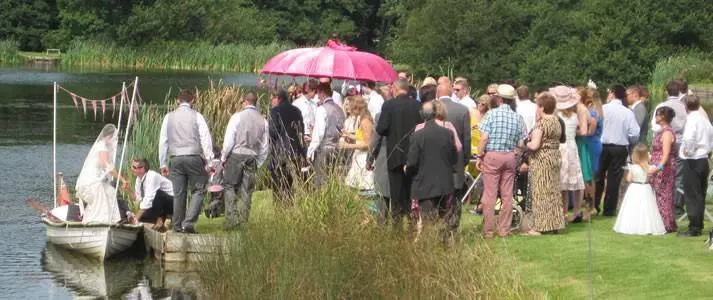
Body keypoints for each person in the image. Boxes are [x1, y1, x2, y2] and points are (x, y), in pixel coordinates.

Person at [159, 89, 213, 233]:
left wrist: (163, 163)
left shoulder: (168, 117)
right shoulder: (197, 116)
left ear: (177, 100)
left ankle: (177, 226)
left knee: (179, 194)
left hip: (175, 159)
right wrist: (209, 160)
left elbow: (163, 141)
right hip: (193, 157)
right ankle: (188, 223)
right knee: (199, 189)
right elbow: (205, 138)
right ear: (193, 100)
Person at [478, 84, 526, 238]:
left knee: (490, 194)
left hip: (492, 155)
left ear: (499, 98)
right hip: (509, 156)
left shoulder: (491, 115)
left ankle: (489, 230)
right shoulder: (517, 117)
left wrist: (480, 155)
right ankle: (504, 229)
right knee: (507, 195)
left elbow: (484, 137)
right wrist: (515, 154)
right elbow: (521, 144)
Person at [406, 101, 458, 237]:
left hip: (425, 185)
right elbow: (454, 158)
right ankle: (444, 245)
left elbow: (412, 162)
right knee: (444, 221)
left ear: (423, 115)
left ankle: (428, 250)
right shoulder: (448, 133)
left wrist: (408, 170)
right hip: (445, 184)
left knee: (428, 222)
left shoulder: (418, 135)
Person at [376, 79, 422, 225]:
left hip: (394, 154)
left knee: (395, 192)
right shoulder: (417, 105)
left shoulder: (389, 105)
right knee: (410, 191)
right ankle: (411, 222)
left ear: (395, 89)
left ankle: (396, 224)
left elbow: (381, 129)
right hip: (413, 155)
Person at [221, 91, 269, 229]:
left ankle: (231, 218)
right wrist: (258, 162)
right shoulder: (263, 121)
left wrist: (224, 157)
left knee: (229, 186)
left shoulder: (237, 117)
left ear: (245, 102)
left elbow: (229, 140)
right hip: (252, 156)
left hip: (236, 155)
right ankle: (243, 220)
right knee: (246, 190)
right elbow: (264, 146)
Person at [595, 85, 640, 216]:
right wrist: (628, 139)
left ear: (613, 94)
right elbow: (635, 134)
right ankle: (609, 209)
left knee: (598, 176)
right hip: (619, 148)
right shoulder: (628, 112)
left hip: (602, 145)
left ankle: (595, 205)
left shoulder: (602, 109)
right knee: (614, 179)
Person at [525, 93, 563, 235]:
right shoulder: (556, 121)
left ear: (541, 106)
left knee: (540, 193)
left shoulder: (541, 123)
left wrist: (524, 144)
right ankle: (554, 224)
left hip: (542, 160)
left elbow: (535, 145)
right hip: (554, 157)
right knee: (553, 192)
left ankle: (539, 227)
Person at [436, 84, 471, 233]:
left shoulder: (431, 108)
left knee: (438, 195)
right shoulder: (462, 110)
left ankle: (438, 225)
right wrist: (465, 159)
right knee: (456, 196)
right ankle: (453, 227)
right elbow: (466, 138)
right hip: (456, 160)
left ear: (438, 93)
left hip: (436, 161)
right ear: (451, 93)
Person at [75, 124, 126, 224]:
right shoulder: (102, 147)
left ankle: (110, 221)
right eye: (114, 138)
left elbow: (105, 167)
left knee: (110, 191)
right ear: (108, 137)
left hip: (94, 179)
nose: (114, 141)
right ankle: (96, 221)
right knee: (102, 195)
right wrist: (122, 179)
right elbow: (107, 167)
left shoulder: (99, 146)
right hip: (91, 181)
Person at [650, 80, 687, 216]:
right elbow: (686, 124)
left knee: (666, 179)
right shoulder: (684, 106)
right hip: (680, 141)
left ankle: (666, 210)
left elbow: (654, 126)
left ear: (666, 91)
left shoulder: (663, 106)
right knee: (678, 177)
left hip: (667, 140)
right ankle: (677, 206)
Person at [678, 95, 713, 237]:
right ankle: (698, 224)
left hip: (693, 159)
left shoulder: (692, 119)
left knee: (692, 194)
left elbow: (688, 137)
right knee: (700, 193)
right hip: (703, 158)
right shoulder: (705, 120)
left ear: (686, 107)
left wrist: (688, 150)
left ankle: (694, 226)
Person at [613, 144, 666, 235]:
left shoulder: (633, 167)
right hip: (645, 187)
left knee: (633, 207)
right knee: (646, 207)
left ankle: (632, 225)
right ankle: (647, 226)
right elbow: (655, 173)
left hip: (634, 188)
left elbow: (628, 179)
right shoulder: (649, 167)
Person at [552, 86, 585, 221]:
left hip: (561, 147)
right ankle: (577, 210)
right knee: (575, 179)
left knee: (562, 182)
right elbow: (583, 131)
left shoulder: (557, 116)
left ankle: (563, 211)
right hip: (572, 146)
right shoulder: (576, 116)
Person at [268, 89, 305, 205]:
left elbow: (273, 132)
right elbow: (301, 131)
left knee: (278, 182)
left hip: (280, 152)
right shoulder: (297, 110)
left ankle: (279, 206)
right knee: (290, 181)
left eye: (272, 99)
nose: (271, 101)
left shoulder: (275, 111)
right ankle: (289, 203)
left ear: (277, 98)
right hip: (295, 151)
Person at [307, 82, 347, 187]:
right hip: (338, 149)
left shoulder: (322, 109)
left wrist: (310, 151)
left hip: (324, 149)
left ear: (322, 94)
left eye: (318, 94)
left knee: (322, 181)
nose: (317, 97)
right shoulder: (340, 109)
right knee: (335, 179)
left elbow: (318, 134)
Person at [648, 106, 677, 232]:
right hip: (655, 164)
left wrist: (659, 167)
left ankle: (666, 224)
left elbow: (666, 153)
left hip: (664, 168)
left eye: (658, 115)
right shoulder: (661, 131)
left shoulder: (667, 133)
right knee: (657, 194)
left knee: (664, 195)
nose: (656, 117)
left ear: (663, 117)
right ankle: (658, 222)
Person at [125, 158, 174, 231]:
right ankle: (162, 227)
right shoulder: (138, 179)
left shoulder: (152, 175)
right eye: (133, 167)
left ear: (144, 168)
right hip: (158, 204)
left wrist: (137, 217)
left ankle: (161, 220)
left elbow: (148, 199)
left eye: (137, 167)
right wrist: (129, 189)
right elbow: (138, 199)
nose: (134, 169)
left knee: (156, 194)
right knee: (141, 219)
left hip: (172, 202)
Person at [341, 95, 375, 191]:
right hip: (358, 156)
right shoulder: (361, 119)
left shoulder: (365, 121)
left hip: (363, 158)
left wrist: (348, 146)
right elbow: (361, 137)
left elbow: (367, 144)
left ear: (357, 108)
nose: (349, 110)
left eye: (351, 107)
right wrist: (349, 135)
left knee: (362, 186)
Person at [585, 88, 604, 216]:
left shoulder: (591, 112)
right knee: (591, 176)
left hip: (590, 143)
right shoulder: (599, 111)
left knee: (589, 176)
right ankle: (592, 205)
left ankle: (591, 205)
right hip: (595, 142)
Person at [293, 80, 318, 145]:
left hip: (312, 135)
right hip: (302, 134)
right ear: (308, 90)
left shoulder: (314, 104)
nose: (316, 93)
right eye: (315, 91)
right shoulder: (297, 103)